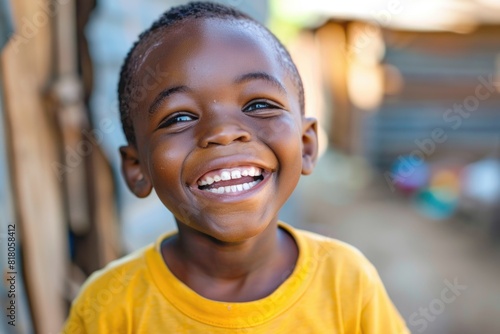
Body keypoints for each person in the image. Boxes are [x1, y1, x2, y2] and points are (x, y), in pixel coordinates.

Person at [63, 2, 409, 333]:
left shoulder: (347, 281)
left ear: (306, 145)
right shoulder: (109, 304)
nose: (223, 132)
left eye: (259, 104)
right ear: (138, 168)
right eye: (179, 117)